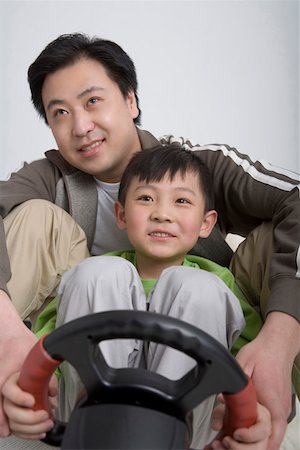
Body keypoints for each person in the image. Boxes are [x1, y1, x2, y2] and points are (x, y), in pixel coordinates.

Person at [0, 32, 299, 449]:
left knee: (217, 274)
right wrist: (10, 335)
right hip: (86, 386)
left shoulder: (197, 168)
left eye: (92, 101)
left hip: (192, 377)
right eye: (60, 113)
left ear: (130, 100)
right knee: (62, 244)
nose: (81, 126)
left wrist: (278, 341)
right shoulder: (46, 180)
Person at [3, 145, 271, 449]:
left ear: (206, 223)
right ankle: (97, 426)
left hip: (186, 428)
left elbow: (251, 367)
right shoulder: (96, 276)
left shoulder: (219, 284)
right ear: (121, 214)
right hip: (89, 420)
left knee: (200, 287)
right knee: (97, 273)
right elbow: (46, 350)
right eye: (146, 198)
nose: (161, 214)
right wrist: (26, 392)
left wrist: (254, 415)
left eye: (181, 200)